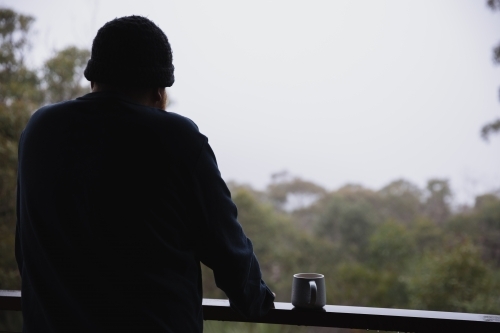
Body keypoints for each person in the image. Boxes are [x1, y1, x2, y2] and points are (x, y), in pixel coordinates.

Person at [15, 15, 275, 332]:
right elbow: (227, 251)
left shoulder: (40, 130)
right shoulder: (177, 139)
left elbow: (25, 250)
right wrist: (257, 302)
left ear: (93, 79)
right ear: (158, 91)